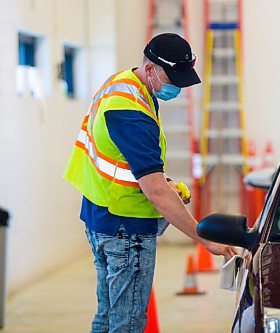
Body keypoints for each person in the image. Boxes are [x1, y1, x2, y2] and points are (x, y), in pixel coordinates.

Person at [63, 33, 237, 332]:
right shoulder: (132, 113)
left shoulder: (122, 84)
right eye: (173, 79)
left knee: (108, 316)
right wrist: (203, 237)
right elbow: (154, 191)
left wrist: (163, 181)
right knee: (127, 323)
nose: (176, 88)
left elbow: (123, 161)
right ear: (149, 69)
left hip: (99, 216)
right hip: (125, 228)